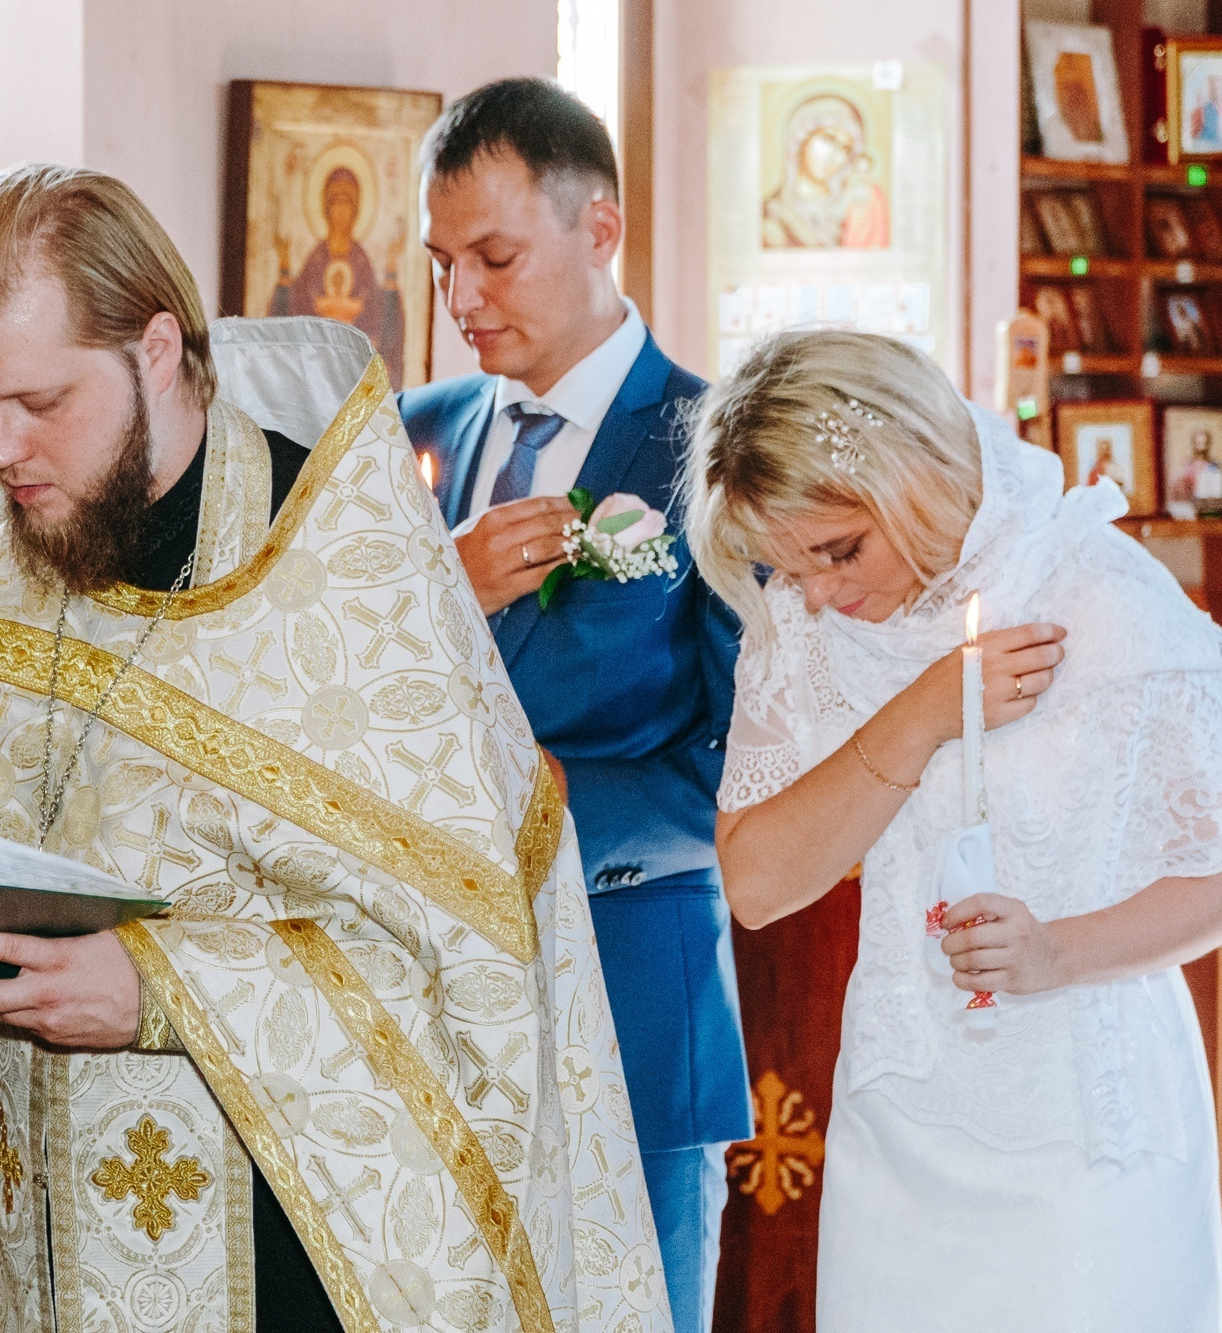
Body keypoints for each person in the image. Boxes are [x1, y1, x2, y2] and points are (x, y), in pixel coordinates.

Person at [0, 164, 671, 1333]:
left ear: (157, 348)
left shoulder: (347, 586)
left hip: (294, 1266)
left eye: (38, 401)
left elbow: (468, 973)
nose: (2, 449)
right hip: (45, 1264)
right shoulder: (23, 575)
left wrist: (162, 989)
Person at [683, 329, 1222, 1331]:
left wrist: (1051, 949)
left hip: (1086, 1139)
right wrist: (920, 713)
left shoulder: (1090, 584)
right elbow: (755, 881)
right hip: (902, 1130)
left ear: (912, 470)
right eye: (790, 565)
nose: (820, 591)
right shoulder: (809, 619)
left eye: (839, 550)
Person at [398, 79, 749, 1333]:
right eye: (441, 265)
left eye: (493, 257)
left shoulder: (713, 448)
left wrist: (545, 815)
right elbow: (331, 693)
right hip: (424, 1009)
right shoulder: (407, 438)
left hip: (633, 998)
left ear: (597, 230)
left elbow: (741, 757)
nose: (461, 302)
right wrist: (443, 592)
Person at [271, 163, 405, 376]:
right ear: (326, 208)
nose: (342, 211)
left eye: (348, 204)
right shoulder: (316, 259)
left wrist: (391, 267)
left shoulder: (361, 260)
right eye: (336, 203)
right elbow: (292, 308)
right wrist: (285, 263)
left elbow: (381, 318)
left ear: (356, 210)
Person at [761, 93, 890, 250]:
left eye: (845, 148)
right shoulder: (774, 215)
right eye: (828, 139)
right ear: (801, 139)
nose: (836, 156)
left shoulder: (855, 203)